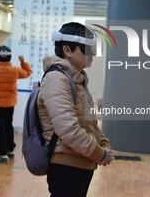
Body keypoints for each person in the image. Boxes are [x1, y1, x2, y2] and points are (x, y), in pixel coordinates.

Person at [37, 22, 114, 197]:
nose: (92, 55)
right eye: (86, 49)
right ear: (67, 50)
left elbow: (90, 122)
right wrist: (99, 153)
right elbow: (68, 129)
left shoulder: (77, 79)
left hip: (82, 161)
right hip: (66, 165)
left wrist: (104, 145)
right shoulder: (57, 79)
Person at [0, 45, 32, 163]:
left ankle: (2, 154)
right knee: (8, 125)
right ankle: (10, 150)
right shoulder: (15, 70)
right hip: (9, 104)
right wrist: (23, 62)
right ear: (10, 57)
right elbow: (27, 72)